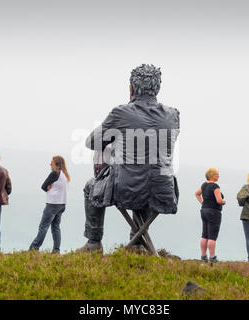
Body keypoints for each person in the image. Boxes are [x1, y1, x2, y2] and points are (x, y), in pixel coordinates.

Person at [78, 64, 180, 253]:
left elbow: (91, 142)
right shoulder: (173, 115)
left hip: (127, 188)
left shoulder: (121, 113)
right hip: (164, 189)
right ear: (158, 87)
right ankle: (138, 244)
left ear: (131, 88)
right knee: (144, 181)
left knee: (90, 186)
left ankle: (93, 243)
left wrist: (114, 142)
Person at [29, 156, 70, 253]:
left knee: (43, 227)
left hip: (53, 204)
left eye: (51, 162)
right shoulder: (64, 175)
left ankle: (34, 248)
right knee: (56, 227)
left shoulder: (54, 174)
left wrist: (48, 187)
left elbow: (43, 187)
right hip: (62, 204)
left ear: (56, 164)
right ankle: (56, 250)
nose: (50, 164)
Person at [195, 168, 226, 263]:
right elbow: (219, 200)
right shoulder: (215, 186)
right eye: (217, 174)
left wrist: (203, 203)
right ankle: (212, 257)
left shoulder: (204, 185)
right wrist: (224, 202)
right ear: (212, 175)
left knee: (204, 235)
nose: (218, 175)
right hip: (214, 212)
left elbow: (197, 194)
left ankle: (203, 257)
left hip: (204, 210)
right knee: (212, 236)